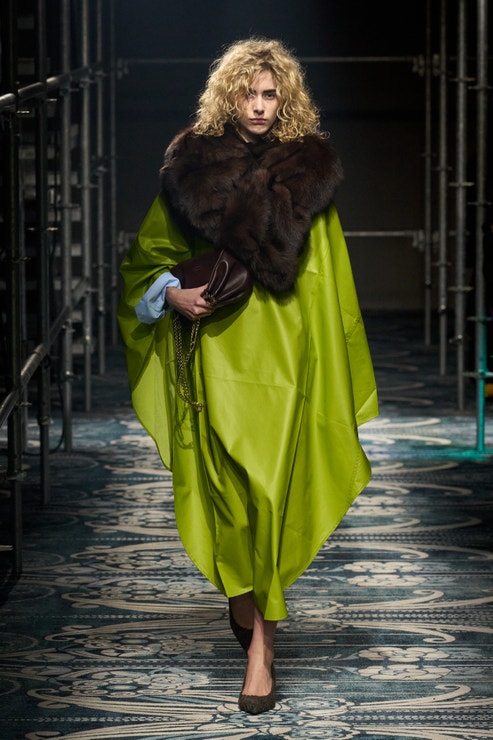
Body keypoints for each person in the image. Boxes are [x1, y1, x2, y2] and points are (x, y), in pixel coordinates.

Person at [117, 37, 378, 714]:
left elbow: (329, 284)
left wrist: (329, 366)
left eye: (270, 94)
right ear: (227, 96)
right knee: (230, 500)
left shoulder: (308, 175)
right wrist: (170, 295)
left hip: (288, 359)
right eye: (248, 93)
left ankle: (261, 647)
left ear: (285, 100)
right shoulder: (191, 169)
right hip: (216, 353)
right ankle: (242, 598)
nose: (259, 107)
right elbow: (147, 260)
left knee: (272, 497)